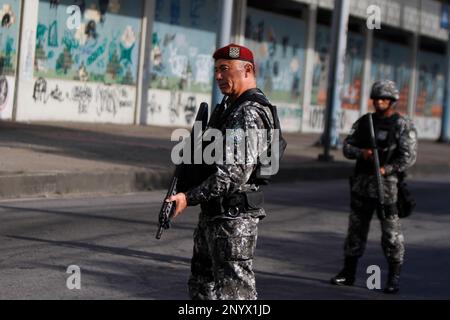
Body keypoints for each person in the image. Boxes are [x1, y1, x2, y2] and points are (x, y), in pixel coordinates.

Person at [167, 44, 284, 300]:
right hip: (215, 214)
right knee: (202, 287)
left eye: (224, 69)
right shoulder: (230, 107)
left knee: (235, 296)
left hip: (233, 220)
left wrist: (189, 197)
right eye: (216, 70)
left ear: (247, 70)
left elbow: (233, 174)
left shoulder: (249, 112)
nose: (218, 76)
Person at [330, 80, 418, 294]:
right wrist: (363, 153)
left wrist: (386, 169)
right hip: (362, 185)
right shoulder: (365, 122)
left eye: (384, 99)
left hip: (387, 189)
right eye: (377, 98)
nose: (380, 102)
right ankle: (348, 272)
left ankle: (393, 277)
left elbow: (408, 156)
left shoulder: (402, 125)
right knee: (355, 231)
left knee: (391, 234)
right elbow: (347, 147)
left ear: (392, 101)